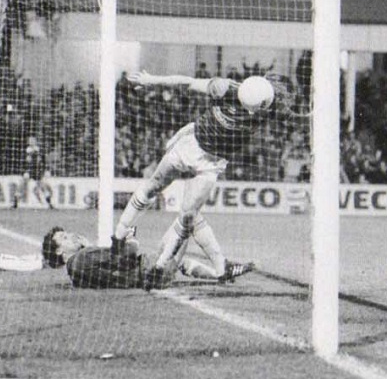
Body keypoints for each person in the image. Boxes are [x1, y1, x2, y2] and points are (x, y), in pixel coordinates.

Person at [111, 71, 286, 289]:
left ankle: (165, 267)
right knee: (154, 187)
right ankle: (119, 236)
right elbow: (186, 82)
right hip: (191, 145)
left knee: (188, 217)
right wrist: (152, 80)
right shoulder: (225, 88)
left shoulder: (268, 108)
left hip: (210, 164)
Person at [41, 226, 234, 289]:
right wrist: (130, 236)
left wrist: (91, 247)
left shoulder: (74, 274)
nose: (72, 236)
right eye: (64, 238)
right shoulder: (82, 257)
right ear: (59, 251)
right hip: (151, 270)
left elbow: (107, 269)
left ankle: (220, 275)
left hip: (145, 275)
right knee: (188, 219)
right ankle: (223, 269)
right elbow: (128, 254)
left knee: (178, 257)